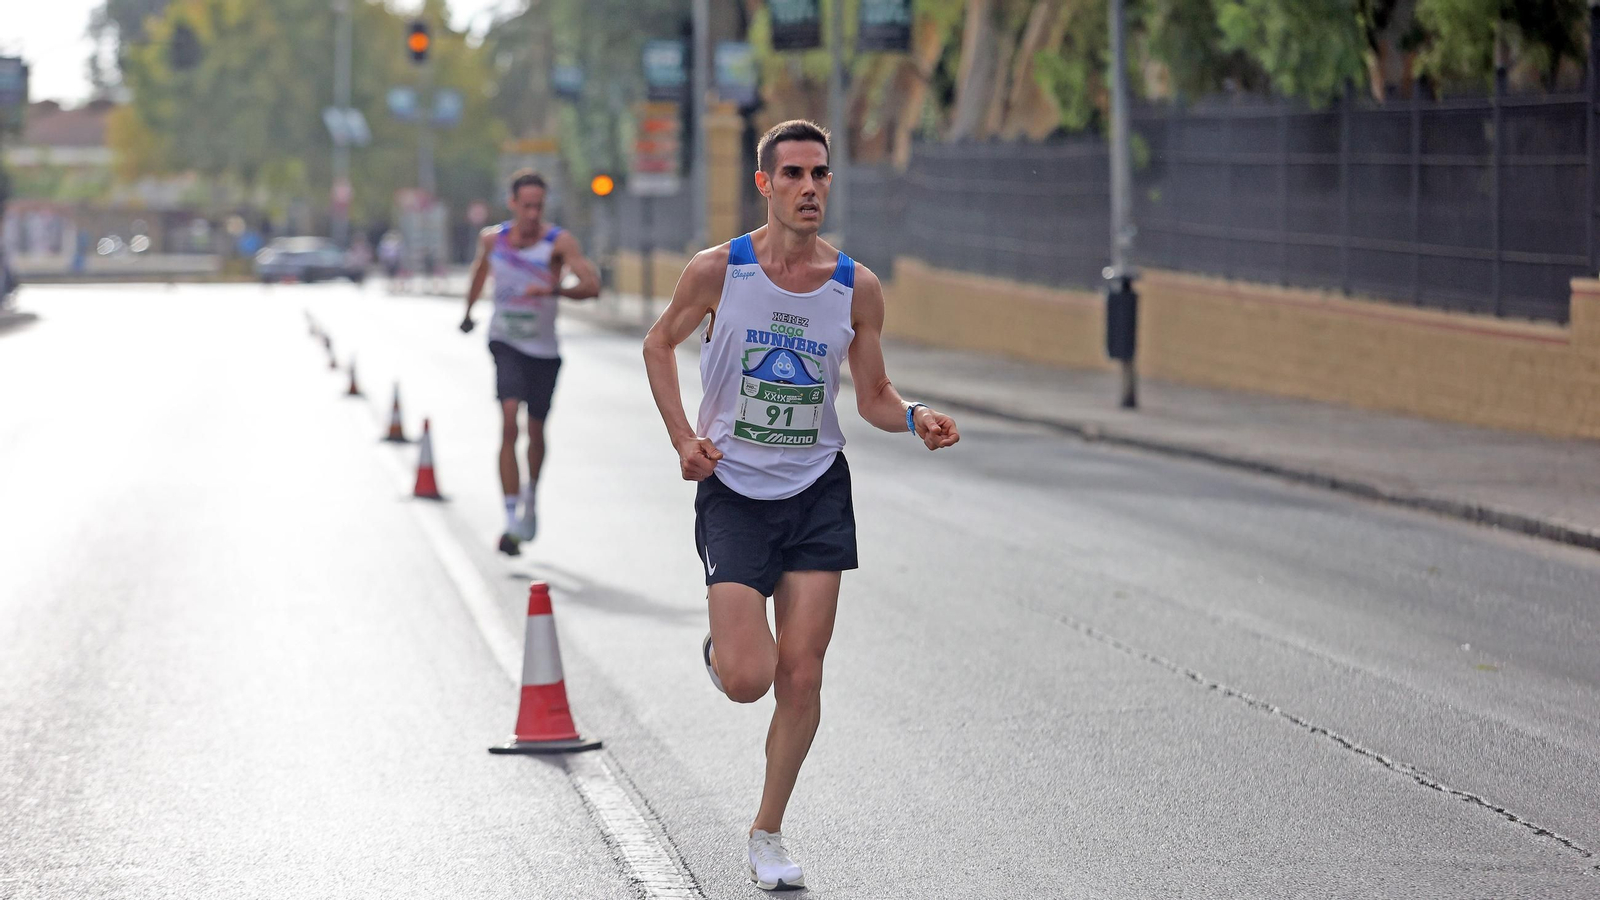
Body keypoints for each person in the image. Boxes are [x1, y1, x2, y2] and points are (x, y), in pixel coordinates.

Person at [642, 120, 960, 891]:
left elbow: (873, 393)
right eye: (793, 174)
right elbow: (658, 345)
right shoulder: (718, 272)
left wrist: (913, 415)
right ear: (765, 184)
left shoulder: (856, 287)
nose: (809, 187)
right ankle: (724, 652)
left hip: (817, 489)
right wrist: (684, 438)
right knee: (750, 678)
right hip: (735, 491)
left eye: (820, 174)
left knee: (804, 675)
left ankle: (768, 832)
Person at [461, 169, 600, 556]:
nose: (533, 213)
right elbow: (479, 272)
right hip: (505, 341)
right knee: (509, 422)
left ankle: (530, 497)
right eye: (526, 206)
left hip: (544, 351)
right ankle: (510, 519)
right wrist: (468, 311)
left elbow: (592, 286)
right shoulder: (493, 239)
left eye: (539, 206)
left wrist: (555, 290)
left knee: (536, 433)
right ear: (512, 204)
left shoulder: (558, 242)